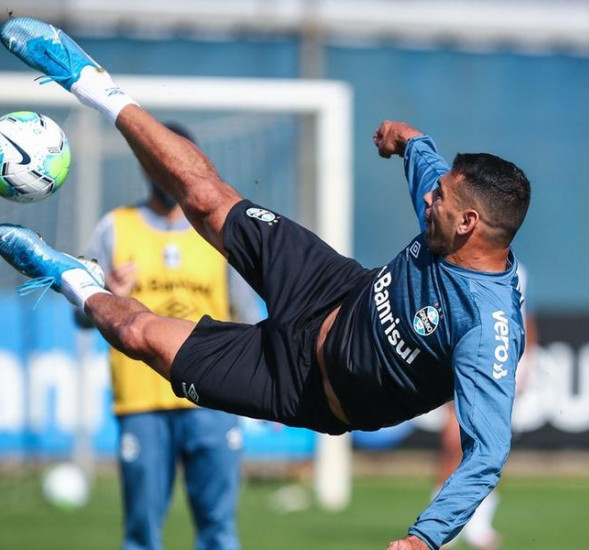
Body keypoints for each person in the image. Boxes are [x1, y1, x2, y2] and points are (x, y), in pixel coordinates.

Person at [0, 17, 531, 550]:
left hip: (304, 389)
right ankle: (87, 79)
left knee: (139, 336)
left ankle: (71, 278)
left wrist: (424, 539)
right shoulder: (450, 214)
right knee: (207, 200)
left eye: (440, 200)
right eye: (435, 191)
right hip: (331, 288)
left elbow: (487, 453)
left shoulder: (488, 328)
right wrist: (406, 139)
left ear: (469, 225)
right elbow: (424, 154)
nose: (428, 201)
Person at [74, 122, 263, 550]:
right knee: (141, 533)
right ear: (147, 167)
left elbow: (248, 317)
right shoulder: (114, 228)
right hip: (142, 403)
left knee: (218, 530)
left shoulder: (219, 230)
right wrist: (106, 297)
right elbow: (81, 319)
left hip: (213, 400)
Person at [436, 265, 538, 550]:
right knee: (452, 440)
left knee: (492, 445)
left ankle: (479, 523)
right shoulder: (456, 262)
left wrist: (528, 360)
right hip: (463, 355)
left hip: (498, 364)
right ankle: (440, 520)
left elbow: (525, 316)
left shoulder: (519, 272)